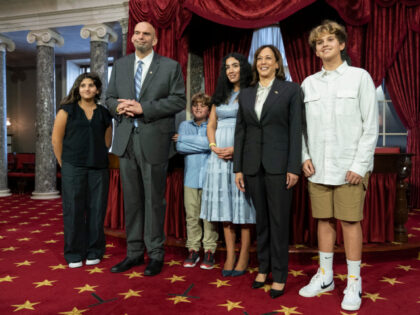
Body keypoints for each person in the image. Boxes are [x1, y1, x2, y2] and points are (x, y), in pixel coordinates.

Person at [298, 20, 378, 311]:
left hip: (349, 167)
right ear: (316, 50)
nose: (324, 45)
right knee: (323, 221)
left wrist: (360, 164)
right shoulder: (308, 83)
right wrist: (304, 156)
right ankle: (326, 277)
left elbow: (371, 126)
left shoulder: (360, 77)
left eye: (330, 40)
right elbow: (302, 128)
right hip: (318, 166)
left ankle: (354, 281)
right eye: (319, 42)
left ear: (342, 44)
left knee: (350, 222)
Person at [106, 22, 186, 276]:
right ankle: (133, 254)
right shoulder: (119, 65)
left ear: (155, 40)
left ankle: (155, 255)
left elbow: (178, 100)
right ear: (132, 39)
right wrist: (117, 107)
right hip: (126, 140)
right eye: (137, 33)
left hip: (155, 141)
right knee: (132, 200)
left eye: (146, 34)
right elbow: (108, 98)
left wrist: (144, 108)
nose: (140, 37)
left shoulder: (170, 66)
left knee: (153, 201)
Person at [233, 45, 303, 298]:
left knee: (279, 222)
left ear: (277, 63)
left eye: (268, 58)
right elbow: (240, 132)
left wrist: (294, 167)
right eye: (259, 58)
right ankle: (263, 267)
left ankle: (280, 274)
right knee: (260, 221)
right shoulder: (246, 93)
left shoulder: (291, 90)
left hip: (279, 167)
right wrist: (238, 168)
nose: (263, 62)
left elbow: (296, 131)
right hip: (252, 166)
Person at [200, 53, 255, 275]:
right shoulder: (220, 96)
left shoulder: (252, 93)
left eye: (235, 65)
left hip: (242, 155)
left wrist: (238, 150)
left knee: (242, 206)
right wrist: (213, 146)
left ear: (244, 68)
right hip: (218, 158)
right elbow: (211, 125)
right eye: (227, 67)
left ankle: (244, 255)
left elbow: (254, 126)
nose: (231, 70)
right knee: (225, 208)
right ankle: (230, 255)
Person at [52, 72, 112, 268]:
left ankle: (94, 250)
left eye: (91, 85)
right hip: (72, 167)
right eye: (83, 85)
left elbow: (107, 141)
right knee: (74, 210)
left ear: (97, 89)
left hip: (99, 168)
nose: (87, 88)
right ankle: (74, 253)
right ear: (78, 88)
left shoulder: (104, 113)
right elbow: (56, 140)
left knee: (96, 211)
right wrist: (64, 164)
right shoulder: (66, 110)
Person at [173, 92, 218, 269]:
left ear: (209, 109)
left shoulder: (213, 125)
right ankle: (193, 249)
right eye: (195, 105)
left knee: (209, 217)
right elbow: (180, 147)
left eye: (202, 105)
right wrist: (203, 143)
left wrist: (184, 139)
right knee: (192, 216)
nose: (198, 108)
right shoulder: (184, 124)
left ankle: (209, 250)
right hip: (190, 179)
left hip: (210, 178)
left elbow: (211, 145)